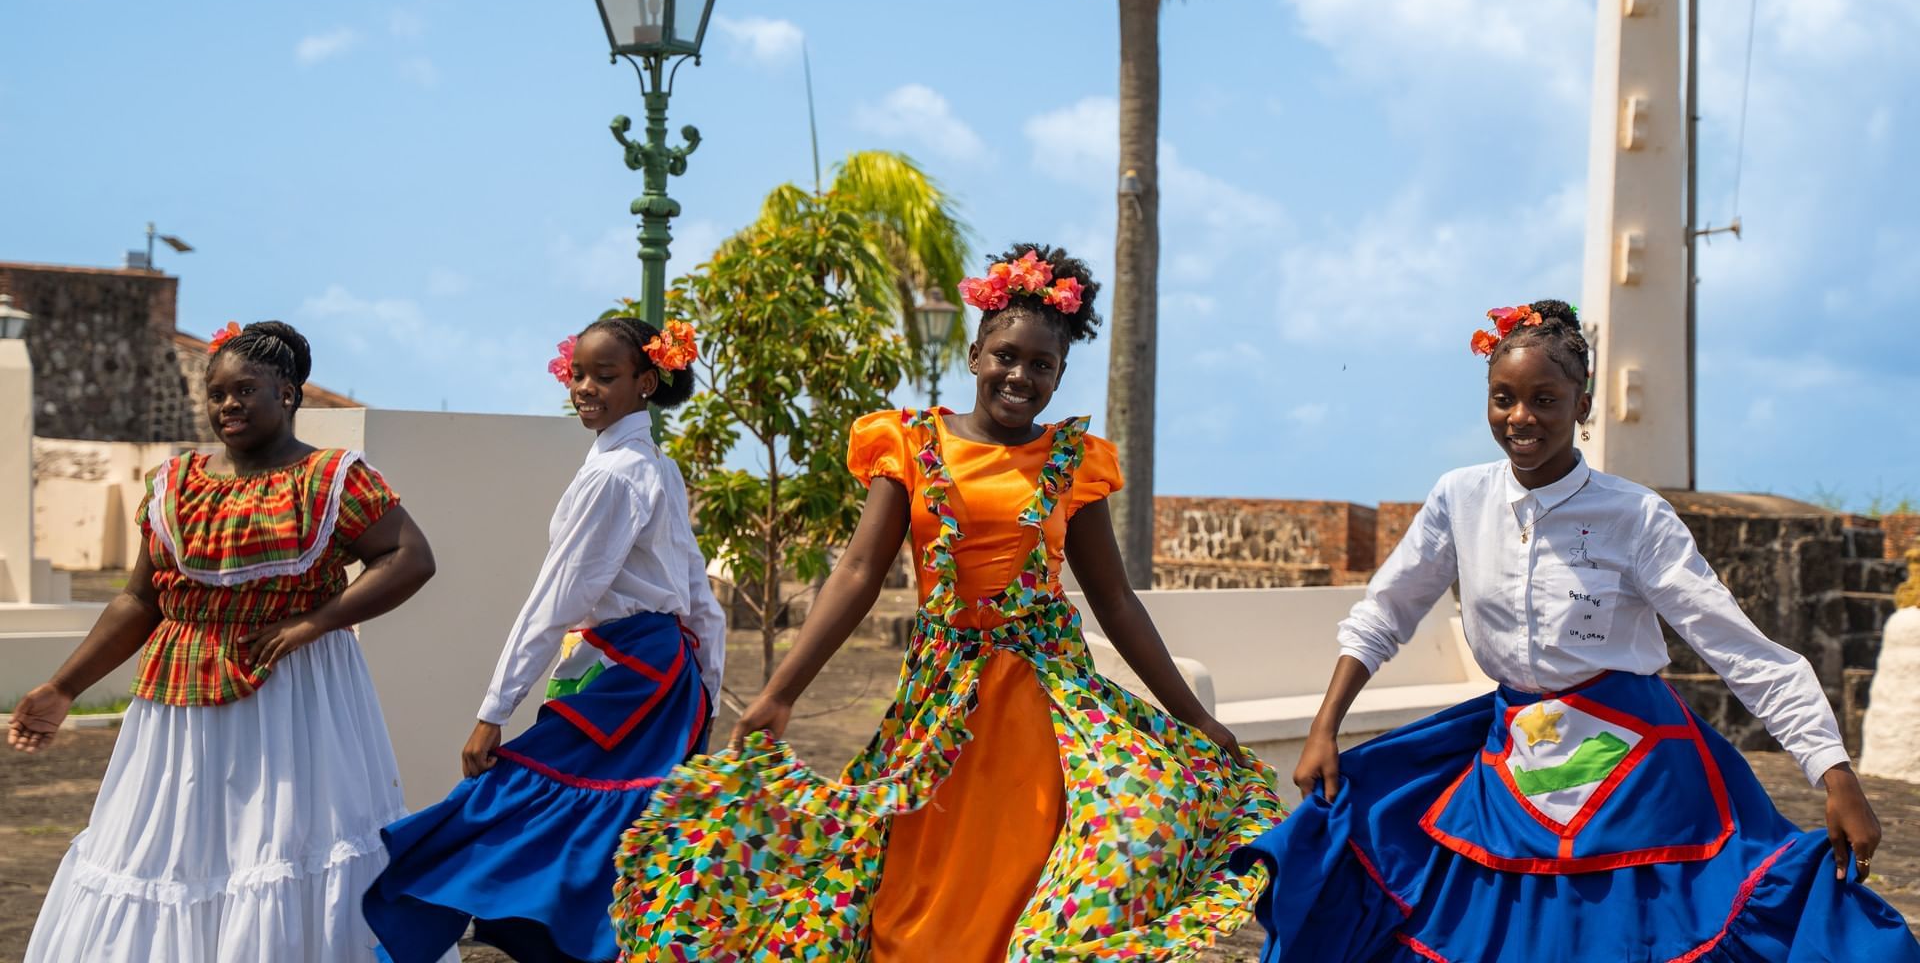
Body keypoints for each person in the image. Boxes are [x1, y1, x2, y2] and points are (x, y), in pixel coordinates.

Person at [608, 245, 1283, 962]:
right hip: (937, 704)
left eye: (1041, 364)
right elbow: (858, 573)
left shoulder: (1074, 462)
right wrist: (780, 693)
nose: (1020, 375)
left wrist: (1195, 717)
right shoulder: (908, 444)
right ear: (974, 355)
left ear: (1058, 376)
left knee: (1022, 873)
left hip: (1041, 703)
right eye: (1006, 356)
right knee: (915, 883)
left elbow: (1115, 600)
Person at [1235, 300, 1920, 962]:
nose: (1521, 417)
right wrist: (1325, 727)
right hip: (1512, 755)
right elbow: (1386, 612)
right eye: (1503, 399)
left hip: (1635, 769)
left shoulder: (1635, 517)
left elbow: (1739, 651)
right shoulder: (1460, 498)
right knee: (1481, 918)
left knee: (1627, 932)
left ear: (1582, 405)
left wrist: (1834, 776)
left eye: (1545, 399)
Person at [8, 320, 444, 963]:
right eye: (216, 394)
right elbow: (141, 599)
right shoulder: (175, 484)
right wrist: (63, 687)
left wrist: (313, 623)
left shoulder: (330, 479)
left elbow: (409, 558)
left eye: (245, 390)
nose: (228, 405)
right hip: (179, 704)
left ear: (287, 394)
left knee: (285, 845)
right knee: (171, 851)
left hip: (295, 695)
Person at [364, 315, 724, 963]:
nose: (585, 388)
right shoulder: (654, 466)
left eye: (604, 376)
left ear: (646, 381)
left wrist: (493, 711)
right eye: (577, 374)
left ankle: (426, 938)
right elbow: (701, 601)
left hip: (631, 678)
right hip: (665, 678)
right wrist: (707, 699)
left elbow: (556, 601)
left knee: (502, 801)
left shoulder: (614, 476)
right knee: (615, 832)